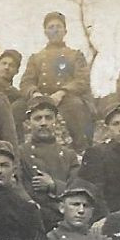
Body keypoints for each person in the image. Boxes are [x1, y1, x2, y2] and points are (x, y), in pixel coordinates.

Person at [20, 11, 95, 147]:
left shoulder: (75, 55)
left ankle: (81, 149)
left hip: (67, 98)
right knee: (16, 108)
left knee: (76, 107)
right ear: (45, 32)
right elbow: (26, 82)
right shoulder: (36, 58)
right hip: (40, 98)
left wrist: (62, 92)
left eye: (58, 27)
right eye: (51, 27)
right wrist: (34, 93)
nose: (55, 30)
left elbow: (82, 80)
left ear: (65, 31)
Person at [20, 95, 80, 227]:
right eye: (37, 118)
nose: (43, 123)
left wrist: (53, 185)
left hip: (62, 220)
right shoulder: (21, 153)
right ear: (29, 123)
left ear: (56, 121)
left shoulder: (69, 155)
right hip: (31, 219)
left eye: (48, 117)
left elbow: (77, 189)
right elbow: (17, 186)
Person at [75, 102, 120, 213]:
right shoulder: (95, 154)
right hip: (105, 216)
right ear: (108, 128)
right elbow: (93, 192)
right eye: (115, 124)